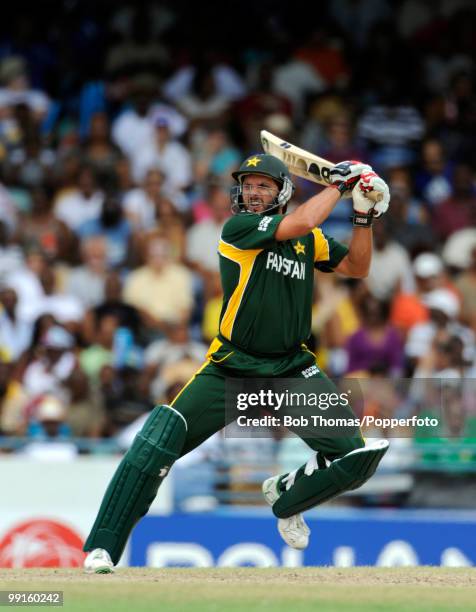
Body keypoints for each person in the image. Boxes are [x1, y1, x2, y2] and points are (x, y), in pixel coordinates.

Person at [83, 152, 391, 573]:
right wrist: (340, 184)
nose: (253, 192)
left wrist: (363, 214)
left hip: (289, 369)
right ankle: (103, 548)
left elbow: (358, 266)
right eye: (248, 184)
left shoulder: (310, 241)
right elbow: (299, 222)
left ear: (282, 191)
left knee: (354, 457)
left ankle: (288, 494)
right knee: (158, 441)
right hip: (231, 366)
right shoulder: (239, 227)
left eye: (264, 185)